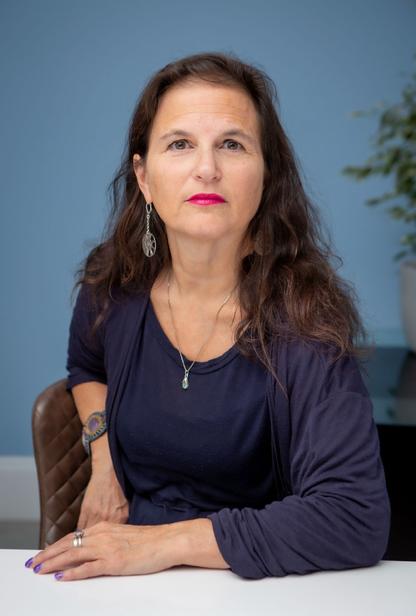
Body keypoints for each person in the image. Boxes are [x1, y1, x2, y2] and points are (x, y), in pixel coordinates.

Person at [25, 51, 390, 582]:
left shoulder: (307, 319)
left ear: (266, 175)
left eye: (232, 144)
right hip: (126, 578)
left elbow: (354, 516)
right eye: (180, 144)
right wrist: (104, 461)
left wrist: (165, 542)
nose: (207, 168)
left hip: (255, 583)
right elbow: (85, 367)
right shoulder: (114, 285)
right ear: (144, 177)